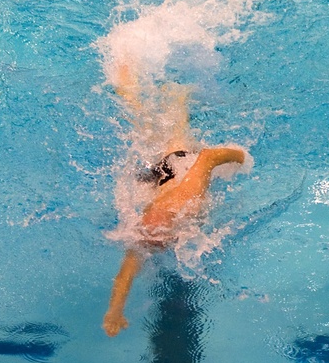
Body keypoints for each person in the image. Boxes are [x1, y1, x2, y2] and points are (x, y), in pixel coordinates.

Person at [102, 63, 247, 337]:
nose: (151, 236)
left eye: (152, 232)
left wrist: (242, 157)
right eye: (151, 232)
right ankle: (132, 85)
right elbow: (125, 276)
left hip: (179, 163)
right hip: (166, 176)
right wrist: (114, 311)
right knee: (145, 126)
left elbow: (208, 157)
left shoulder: (188, 198)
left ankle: (174, 93)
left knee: (168, 125)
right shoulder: (145, 232)